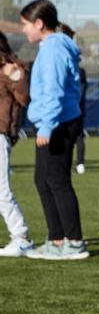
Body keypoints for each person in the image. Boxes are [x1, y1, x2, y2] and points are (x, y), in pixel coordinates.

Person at [21, 0, 85, 261]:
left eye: (25, 25)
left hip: (58, 124)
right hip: (54, 123)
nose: (24, 30)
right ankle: (57, 240)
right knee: (42, 180)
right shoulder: (50, 47)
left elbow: (55, 91)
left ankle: (75, 243)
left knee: (58, 181)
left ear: (39, 23)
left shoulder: (53, 49)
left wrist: (46, 126)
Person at [0, 33, 33, 257]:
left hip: (0, 134)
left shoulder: (14, 70)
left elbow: (23, 99)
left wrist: (15, 77)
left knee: (2, 191)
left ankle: (21, 237)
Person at [75, 67, 87, 175]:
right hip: (78, 112)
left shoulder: (79, 72)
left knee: (78, 138)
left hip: (75, 113)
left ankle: (80, 163)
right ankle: (79, 163)